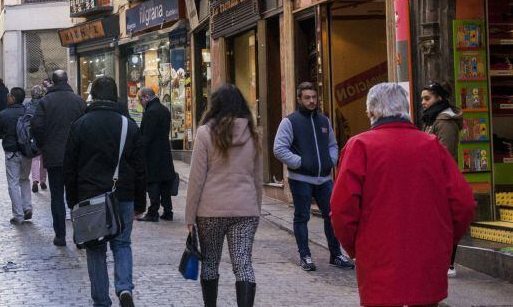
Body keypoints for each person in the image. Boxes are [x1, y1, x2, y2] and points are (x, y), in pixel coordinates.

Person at [331, 83, 475, 307]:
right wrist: (444, 241)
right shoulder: (432, 146)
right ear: (406, 110)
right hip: (427, 257)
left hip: (378, 257)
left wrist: (355, 247)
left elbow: (342, 210)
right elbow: (464, 203)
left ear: (371, 112)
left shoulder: (360, 146)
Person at [64, 76, 146, 307]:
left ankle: (101, 299)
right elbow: (141, 168)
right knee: (122, 244)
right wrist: (140, 202)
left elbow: (70, 168)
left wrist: (72, 202)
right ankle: (124, 289)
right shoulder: (128, 125)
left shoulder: (80, 125)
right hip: (123, 194)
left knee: (95, 248)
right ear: (115, 95)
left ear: (93, 96)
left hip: (91, 197)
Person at [185, 84, 262, 307]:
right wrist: (255, 209)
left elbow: (196, 179)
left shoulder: (205, 133)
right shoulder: (252, 135)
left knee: (210, 263)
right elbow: (257, 178)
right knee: (243, 264)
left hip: (211, 210)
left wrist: (190, 217)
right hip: (245, 209)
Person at [273, 81, 354, 271]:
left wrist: (331, 160)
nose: (311, 101)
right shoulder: (290, 121)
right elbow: (279, 149)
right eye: (307, 98)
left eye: (314, 97)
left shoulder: (324, 121)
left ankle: (336, 255)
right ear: (299, 99)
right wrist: (300, 163)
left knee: (332, 216)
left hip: (325, 179)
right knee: (302, 217)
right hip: (300, 179)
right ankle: (305, 256)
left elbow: (333, 144)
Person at [31, 70, 87, 247]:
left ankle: (60, 235)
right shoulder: (79, 101)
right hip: (77, 156)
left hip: (54, 155)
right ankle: (80, 236)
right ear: (67, 80)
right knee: (77, 196)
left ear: (53, 82)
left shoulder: (46, 102)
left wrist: (43, 145)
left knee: (57, 196)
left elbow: (37, 126)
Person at [421, 81, 464, 277]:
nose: (423, 102)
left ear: (439, 98)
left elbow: (445, 155)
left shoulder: (445, 122)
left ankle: (449, 264)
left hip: (442, 179)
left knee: (445, 222)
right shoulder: (433, 119)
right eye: (422, 98)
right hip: (432, 178)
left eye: (427, 98)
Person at [0, 87, 33, 224]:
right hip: (27, 152)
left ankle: (18, 214)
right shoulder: (28, 112)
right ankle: (27, 207)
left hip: (12, 152)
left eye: (9, 95)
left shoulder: (3, 114)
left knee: (13, 182)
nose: (7, 97)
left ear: (13, 98)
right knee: (25, 179)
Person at [136, 87, 176, 222]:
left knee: (153, 182)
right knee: (165, 183)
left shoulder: (151, 112)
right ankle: (168, 211)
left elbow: (147, 136)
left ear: (146, 97)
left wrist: (140, 153)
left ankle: (153, 212)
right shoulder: (164, 110)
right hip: (164, 152)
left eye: (140, 99)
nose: (140, 102)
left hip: (152, 154)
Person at [28, 85, 47, 193]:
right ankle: (43, 180)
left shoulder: (28, 105)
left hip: (32, 135)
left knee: (35, 159)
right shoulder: (45, 104)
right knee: (44, 159)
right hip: (44, 134)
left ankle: (35, 180)